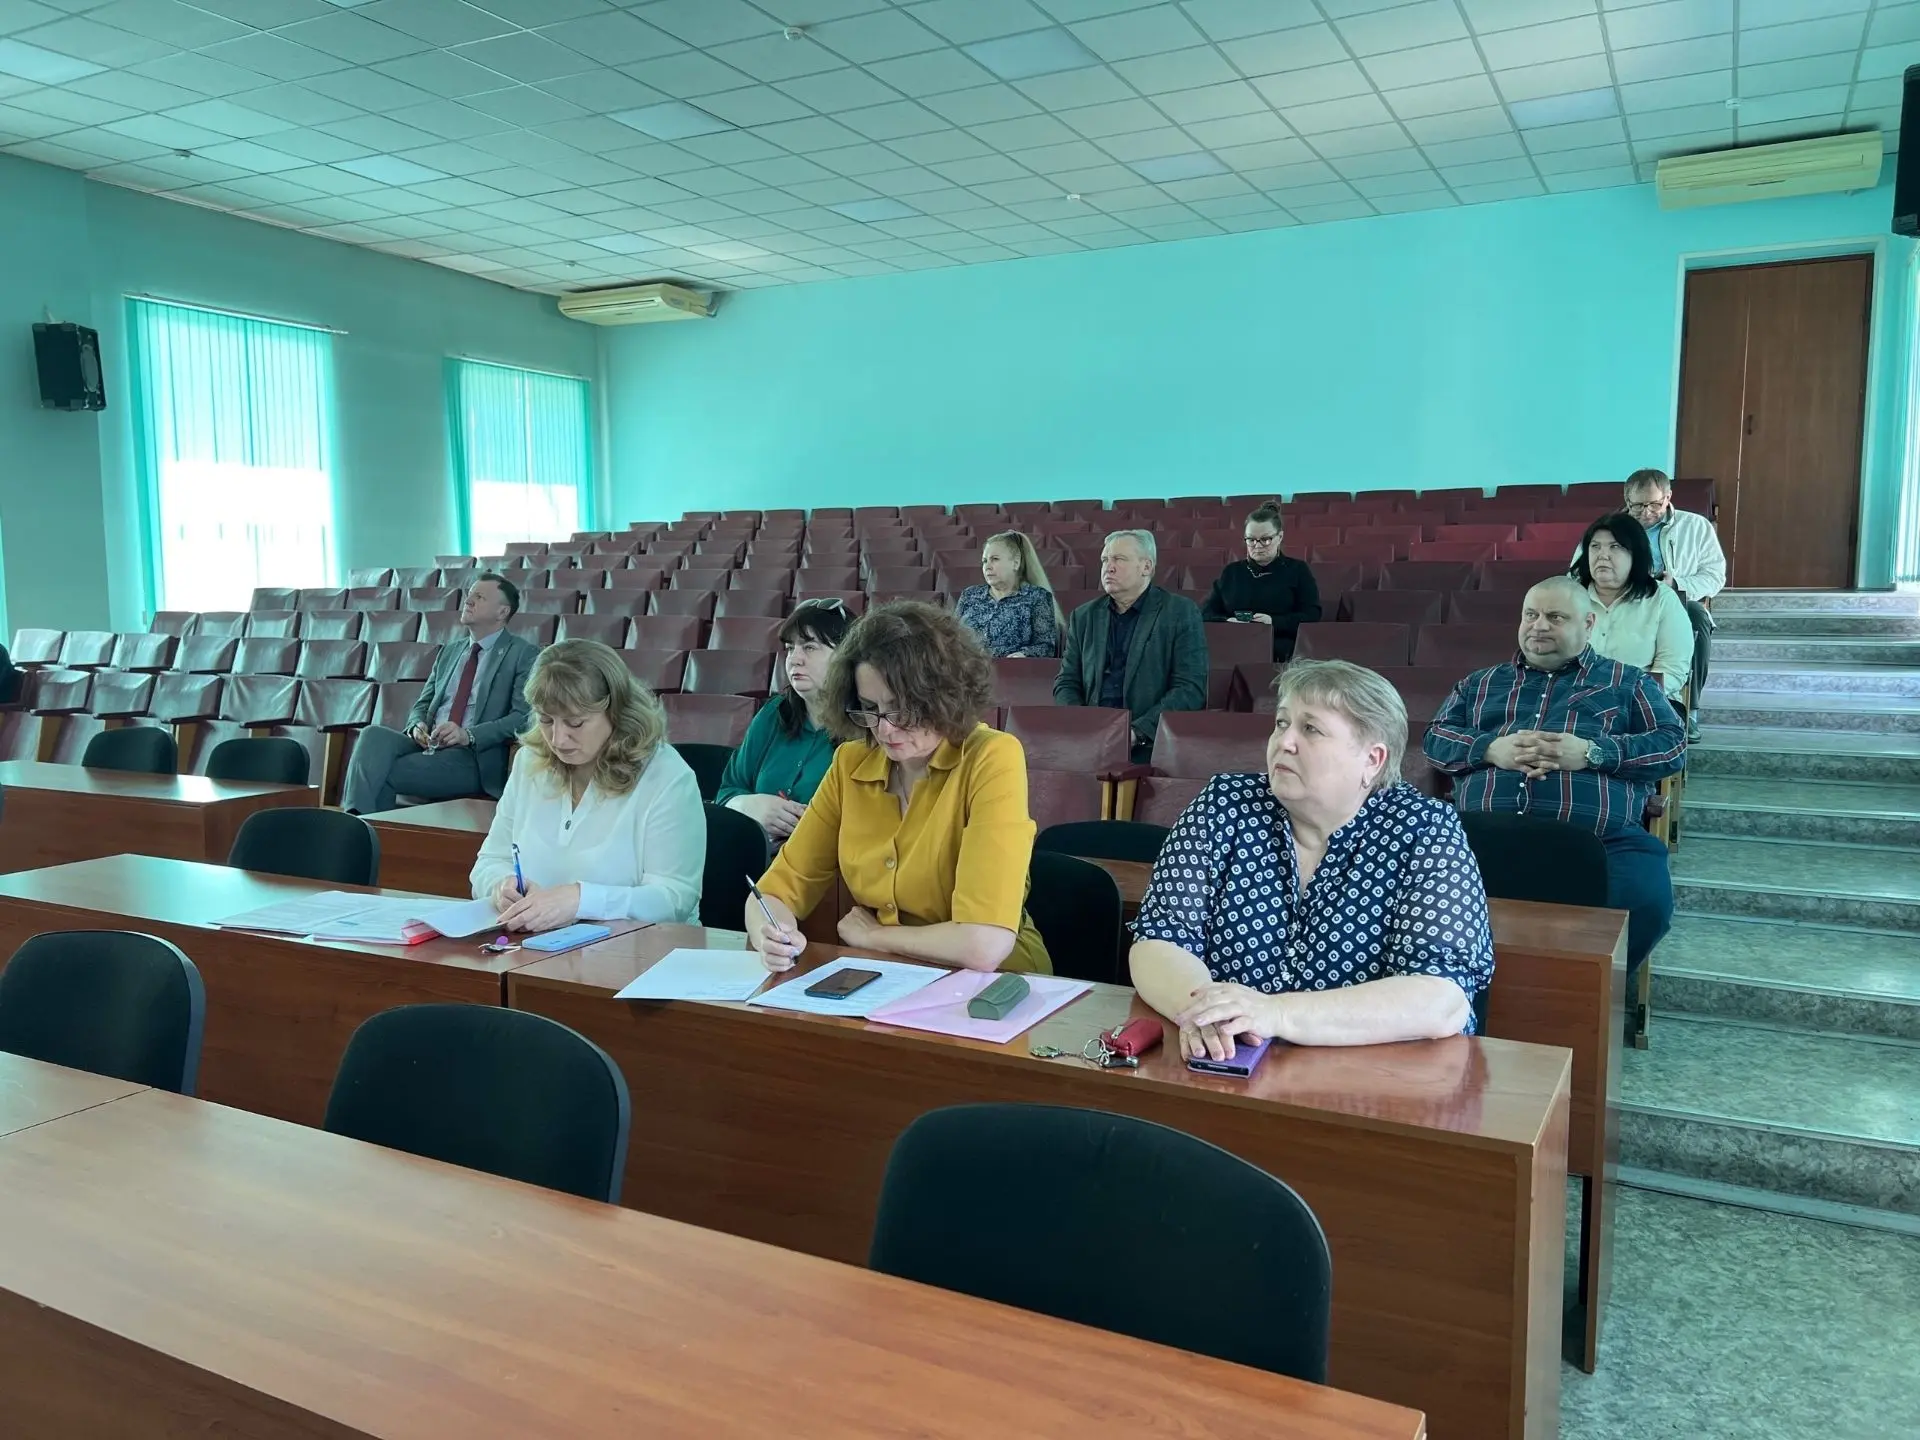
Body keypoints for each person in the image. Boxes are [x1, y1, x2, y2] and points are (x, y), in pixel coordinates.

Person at [1130, 660, 1492, 1056]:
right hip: (1228, 1061)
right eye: (1282, 723)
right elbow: (1159, 940)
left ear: (1372, 760)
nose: (1284, 742)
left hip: (1372, 1074)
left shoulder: (1425, 829)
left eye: (1311, 729)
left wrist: (1275, 1013)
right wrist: (1208, 1015)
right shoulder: (1225, 804)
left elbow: (1440, 998)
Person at [745, 601, 1051, 975]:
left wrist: (876, 937)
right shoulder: (850, 762)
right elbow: (773, 892)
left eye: (902, 709)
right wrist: (771, 933)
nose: (885, 729)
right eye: (870, 708)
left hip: (996, 983)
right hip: (888, 978)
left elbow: (983, 945)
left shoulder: (991, 756)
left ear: (943, 697)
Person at [1423, 576, 1687, 992]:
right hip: (1480, 837)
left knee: (1647, 902)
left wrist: (1592, 753)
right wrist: (1489, 749)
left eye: (1555, 617)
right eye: (1531, 615)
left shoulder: (1628, 682)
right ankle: (1457, 995)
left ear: (1588, 623)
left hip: (1600, 840)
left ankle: (1585, 1000)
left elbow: (1672, 745)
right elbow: (1435, 738)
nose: (1539, 626)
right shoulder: (1480, 684)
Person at [470, 639, 704, 930]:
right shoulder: (529, 761)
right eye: (546, 720)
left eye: (576, 723)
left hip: (641, 948)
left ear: (616, 712)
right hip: (537, 943)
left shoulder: (666, 775)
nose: (558, 739)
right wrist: (499, 887)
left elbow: (674, 899)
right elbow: (489, 861)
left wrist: (581, 900)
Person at [343, 572, 537, 815]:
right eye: (469, 595)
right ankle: (359, 824)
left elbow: (522, 718)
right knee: (373, 735)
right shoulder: (450, 651)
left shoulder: (522, 653)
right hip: (430, 745)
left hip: (472, 757)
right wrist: (416, 725)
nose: (468, 601)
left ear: (502, 612)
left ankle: (356, 825)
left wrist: (467, 735)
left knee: (382, 772)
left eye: (479, 597)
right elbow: (423, 703)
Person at [1053, 529, 1208, 762]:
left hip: (1151, 744)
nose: (1108, 567)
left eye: (1119, 559)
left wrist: (1137, 732)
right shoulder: (1084, 616)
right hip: (1089, 740)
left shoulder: (1179, 612)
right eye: (1105, 559)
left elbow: (1190, 688)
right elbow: (1066, 682)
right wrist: (1081, 725)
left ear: (1146, 567)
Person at [715, 598, 853, 843]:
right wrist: (749, 805)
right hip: (755, 855)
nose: (794, 659)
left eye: (809, 647)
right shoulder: (774, 713)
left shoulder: (868, 726)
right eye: (790, 648)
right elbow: (726, 792)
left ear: (846, 655)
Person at [1625, 468, 1724, 741]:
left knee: (1697, 616)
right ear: (1627, 500)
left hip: (1677, 600)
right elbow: (1578, 572)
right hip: (1624, 599)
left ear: (1668, 497)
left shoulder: (1696, 526)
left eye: (1655, 504)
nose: (1646, 512)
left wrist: (1676, 584)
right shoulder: (1610, 529)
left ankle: (1689, 711)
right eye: (1638, 506)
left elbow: (1714, 576)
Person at [1574, 512, 1694, 708]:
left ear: (1635, 554)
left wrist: (1621, 695)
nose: (1602, 555)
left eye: (1615, 547)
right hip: (1575, 700)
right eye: (1595, 546)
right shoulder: (1569, 597)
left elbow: (1672, 671)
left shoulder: (1662, 599)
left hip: (1642, 703)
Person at [1200, 501, 1321, 660]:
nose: (1257, 546)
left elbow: (1312, 615)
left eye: (1265, 539)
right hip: (1234, 646)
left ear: (1280, 537)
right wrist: (1228, 621)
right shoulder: (1231, 572)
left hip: (1280, 649)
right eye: (1251, 539)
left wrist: (1273, 621)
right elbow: (1206, 613)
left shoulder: (1297, 570)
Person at [954, 531, 1062, 659]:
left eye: (995, 559)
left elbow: (1046, 647)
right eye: (984, 561)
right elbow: (952, 638)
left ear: (1015, 563)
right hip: (969, 667)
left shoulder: (1038, 597)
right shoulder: (969, 595)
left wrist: (1023, 655)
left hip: (1013, 669)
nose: (987, 566)